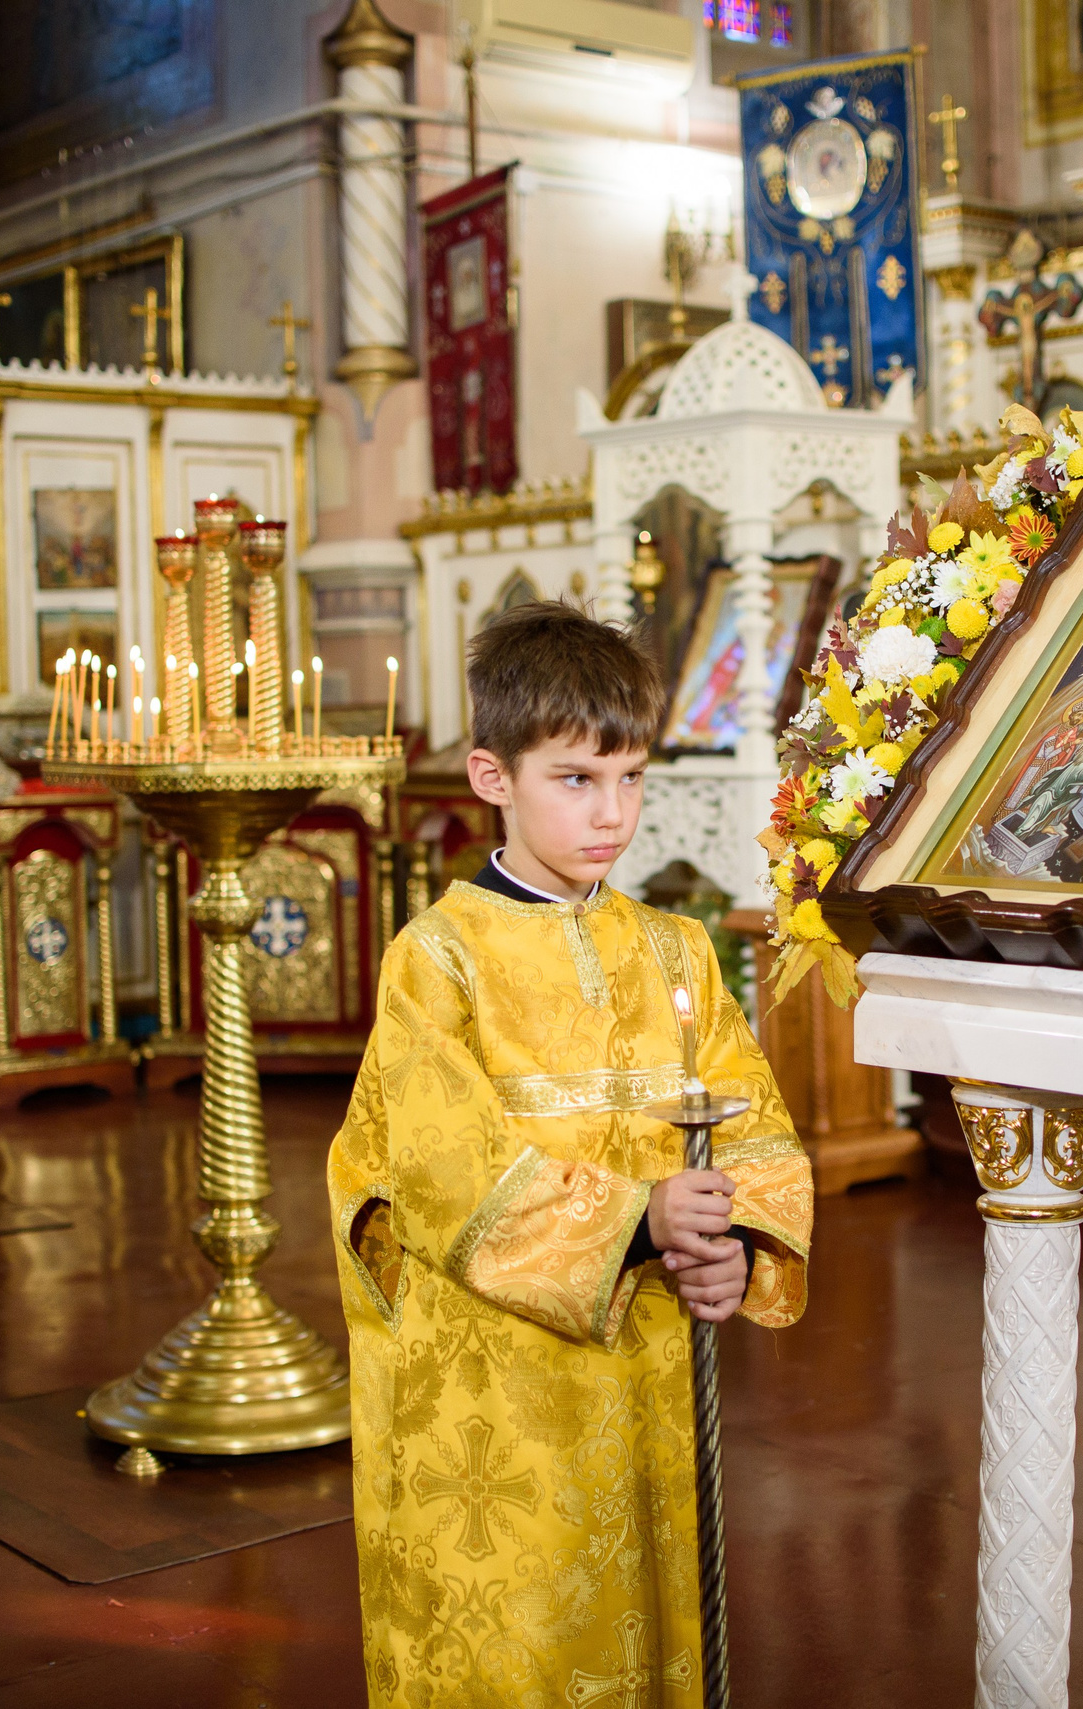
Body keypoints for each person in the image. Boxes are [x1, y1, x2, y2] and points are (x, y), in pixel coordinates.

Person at [327, 600, 812, 1707]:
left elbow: (748, 1118)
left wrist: (733, 1237)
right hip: (503, 1391)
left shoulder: (674, 947)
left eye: (631, 777)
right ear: (492, 776)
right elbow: (442, 1169)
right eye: (576, 780)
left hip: (643, 1360)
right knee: (523, 1636)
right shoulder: (437, 958)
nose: (612, 813)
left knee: (645, 1610)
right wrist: (642, 1219)